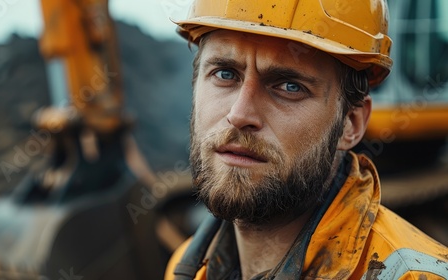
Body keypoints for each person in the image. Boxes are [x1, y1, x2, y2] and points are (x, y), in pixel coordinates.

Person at [164, 0, 448, 279]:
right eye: (225, 74)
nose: (239, 115)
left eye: (289, 86)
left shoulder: (413, 276)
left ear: (350, 123)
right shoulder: (188, 268)